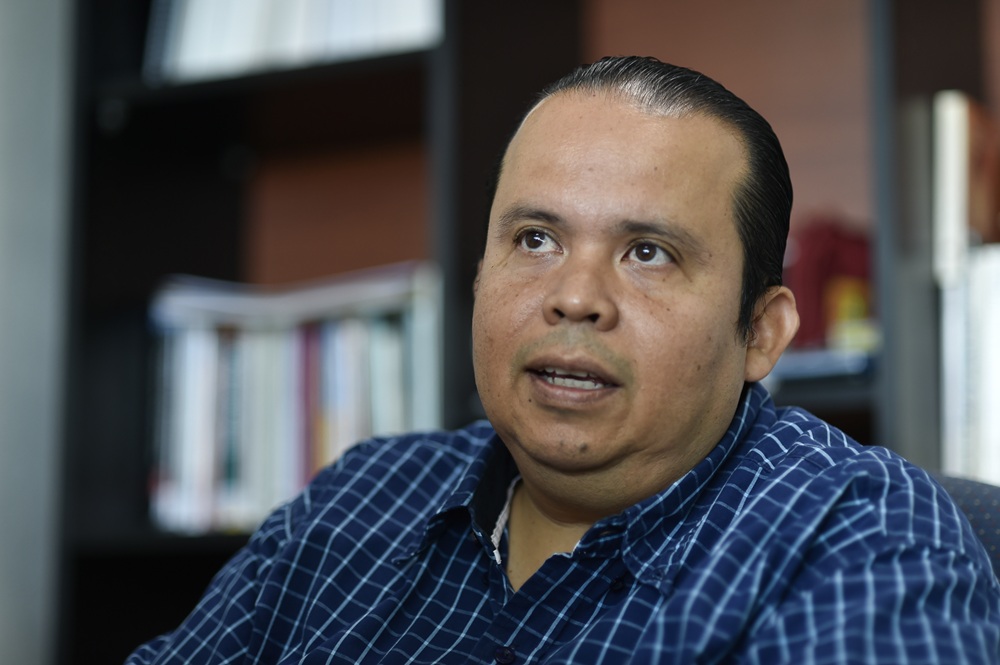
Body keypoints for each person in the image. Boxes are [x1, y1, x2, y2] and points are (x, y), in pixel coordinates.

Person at [126, 56, 1000, 664]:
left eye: (648, 253)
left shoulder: (856, 536)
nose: (575, 297)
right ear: (479, 275)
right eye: (536, 239)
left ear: (762, 334)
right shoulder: (357, 500)